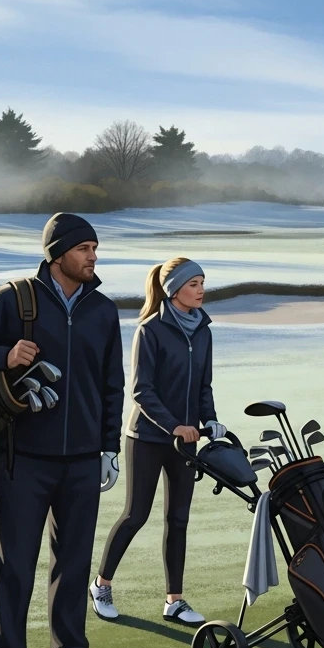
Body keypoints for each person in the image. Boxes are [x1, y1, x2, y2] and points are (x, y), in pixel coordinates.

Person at [0, 212, 124, 648]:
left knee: (73, 561)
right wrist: (4, 356)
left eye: (95, 249)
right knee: (16, 563)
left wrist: (111, 448)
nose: (93, 256)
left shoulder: (104, 311)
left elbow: (113, 386)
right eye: (84, 248)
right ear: (58, 252)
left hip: (84, 459)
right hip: (23, 457)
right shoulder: (11, 299)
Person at [92, 257, 226, 625]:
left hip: (187, 441)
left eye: (202, 283)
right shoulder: (150, 330)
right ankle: (101, 585)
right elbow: (141, 391)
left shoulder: (204, 330)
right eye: (194, 283)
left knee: (178, 519)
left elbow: (203, 386)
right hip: (147, 438)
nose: (201, 290)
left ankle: (174, 601)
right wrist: (174, 426)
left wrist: (209, 419)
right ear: (174, 289)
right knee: (136, 515)